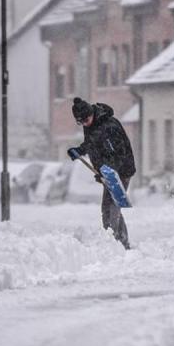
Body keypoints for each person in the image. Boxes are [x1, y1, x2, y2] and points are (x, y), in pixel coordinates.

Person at [67, 97, 135, 249]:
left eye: (86, 120)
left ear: (91, 113)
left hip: (121, 171)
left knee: (111, 208)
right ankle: (121, 243)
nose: (84, 124)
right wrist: (79, 150)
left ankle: (115, 245)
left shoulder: (109, 126)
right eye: (81, 122)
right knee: (110, 208)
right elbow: (92, 143)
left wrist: (107, 172)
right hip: (108, 172)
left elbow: (118, 154)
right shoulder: (91, 124)